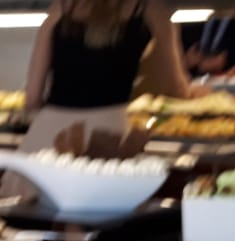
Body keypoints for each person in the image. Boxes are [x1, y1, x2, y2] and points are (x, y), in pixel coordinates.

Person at [20, 0, 192, 154]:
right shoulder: (151, 8)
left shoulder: (62, 6)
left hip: (50, 134)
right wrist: (192, 92)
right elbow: (174, 89)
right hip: (110, 133)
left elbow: (32, 98)